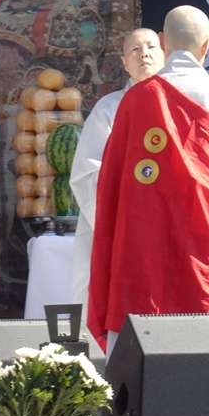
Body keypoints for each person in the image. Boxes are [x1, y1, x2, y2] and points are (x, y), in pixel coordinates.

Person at [87, 6, 209, 353]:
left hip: (144, 239)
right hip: (204, 234)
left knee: (145, 324)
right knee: (202, 327)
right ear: (206, 46)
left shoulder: (136, 98)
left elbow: (110, 183)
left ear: (163, 43)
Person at [69, 28, 164, 310]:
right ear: (124, 64)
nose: (144, 54)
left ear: (165, 54)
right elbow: (87, 171)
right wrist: (129, 211)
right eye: (135, 49)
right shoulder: (108, 109)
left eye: (151, 47)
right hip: (124, 226)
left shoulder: (183, 103)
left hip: (170, 225)